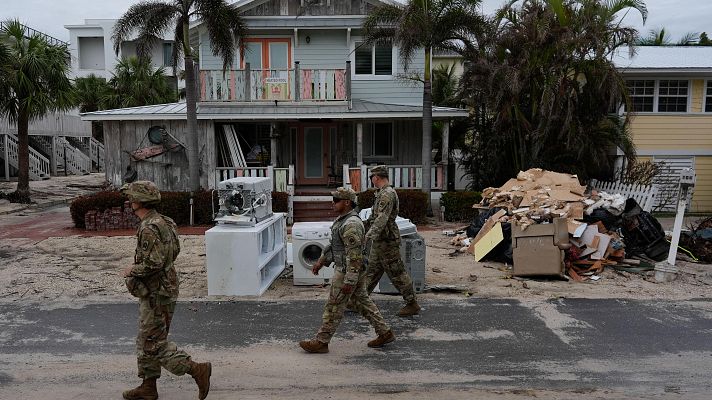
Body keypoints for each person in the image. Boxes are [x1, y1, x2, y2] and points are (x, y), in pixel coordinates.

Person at [120, 181, 212, 400]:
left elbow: (154, 263)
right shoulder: (165, 221)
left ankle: (196, 369)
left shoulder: (149, 227)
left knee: (153, 343)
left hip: (156, 292)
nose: (129, 201)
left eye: (132, 197)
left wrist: (132, 270)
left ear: (139, 201)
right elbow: (174, 252)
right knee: (147, 339)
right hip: (163, 288)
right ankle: (148, 387)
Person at [299, 187, 395, 353]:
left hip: (348, 271)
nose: (333, 203)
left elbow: (354, 256)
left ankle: (322, 342)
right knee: (362, 302)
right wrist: (322, 261)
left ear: (347, 202)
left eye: (336, 200)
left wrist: (349, 280)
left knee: (334, 306)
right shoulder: (343, 220)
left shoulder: (351, 224)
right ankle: (385, 332)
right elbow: (335, 246)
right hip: (351, 270)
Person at [359, 165, 421, 317]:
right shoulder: (381, 193)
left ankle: (412, 303)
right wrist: (362, 225)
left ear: (376, 177)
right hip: (380, 240)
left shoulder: (387, 194)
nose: (371, 180)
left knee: (397, 273)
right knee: (372, 271)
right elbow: (375, 217)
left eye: (371, 177)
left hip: (387, 241)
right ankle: (360, 301)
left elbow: (382, 218)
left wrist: (368, 235)